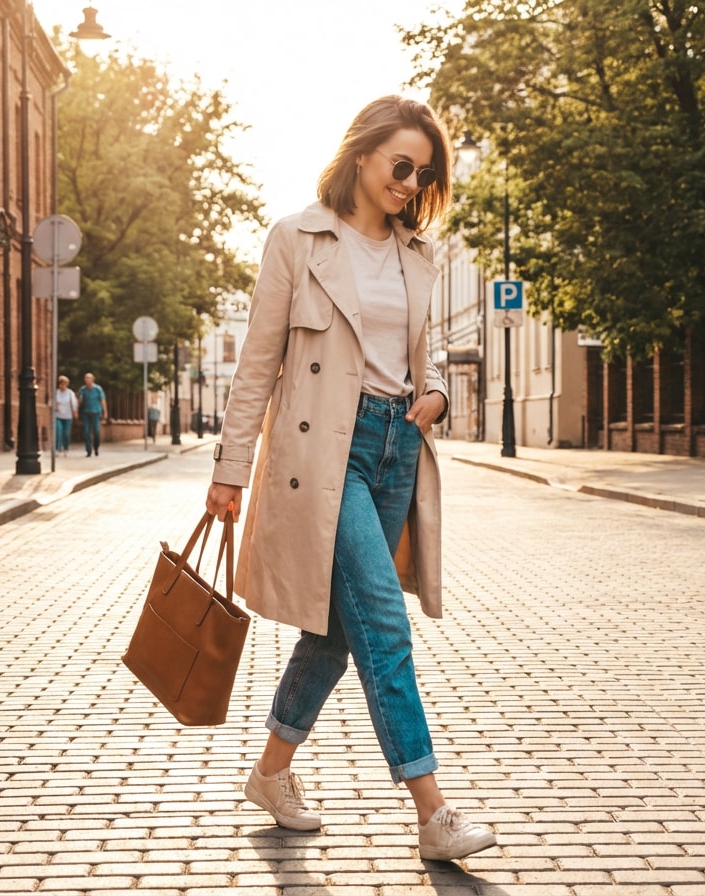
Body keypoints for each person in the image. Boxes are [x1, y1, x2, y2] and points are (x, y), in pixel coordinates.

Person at [205, 96, 496, 862]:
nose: (409, 182)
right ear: (362, 154)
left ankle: (271, 774)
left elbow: (424, 348)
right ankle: (433, 814)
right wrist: (230, 471)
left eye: (423, 173)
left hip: (397, 446)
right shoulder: (298, 239)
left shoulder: (416, 253)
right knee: (384, 624)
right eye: (401, 164)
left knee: (337, 632)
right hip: (323, 456)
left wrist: (437, 391)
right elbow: (256, 365)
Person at [78, 373, 107, 456]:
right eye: (86, 378)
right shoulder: (82, 389)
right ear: (84, 380)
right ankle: (88, 450)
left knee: (96, 431)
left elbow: (102, 400)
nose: (88, 380)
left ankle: (96, 447)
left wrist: (105, 412)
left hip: (96, 413)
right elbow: (79, 402)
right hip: (86, 413)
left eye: (89, 378)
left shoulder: (98, 389)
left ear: (93, 379)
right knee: (86, 431)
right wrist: (80, 400)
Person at [53, 375, 78, 457]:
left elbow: (74, 403)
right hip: (58, 415)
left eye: (64, 384)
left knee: (66, 434)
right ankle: (57, 449)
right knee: (58, 432)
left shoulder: (70, 393)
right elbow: (52, 403)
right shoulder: (56, 393)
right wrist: (55, 405)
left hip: (68, 416)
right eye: (61, 384)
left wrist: (75, 413)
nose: (62, 386)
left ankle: (66, 448)